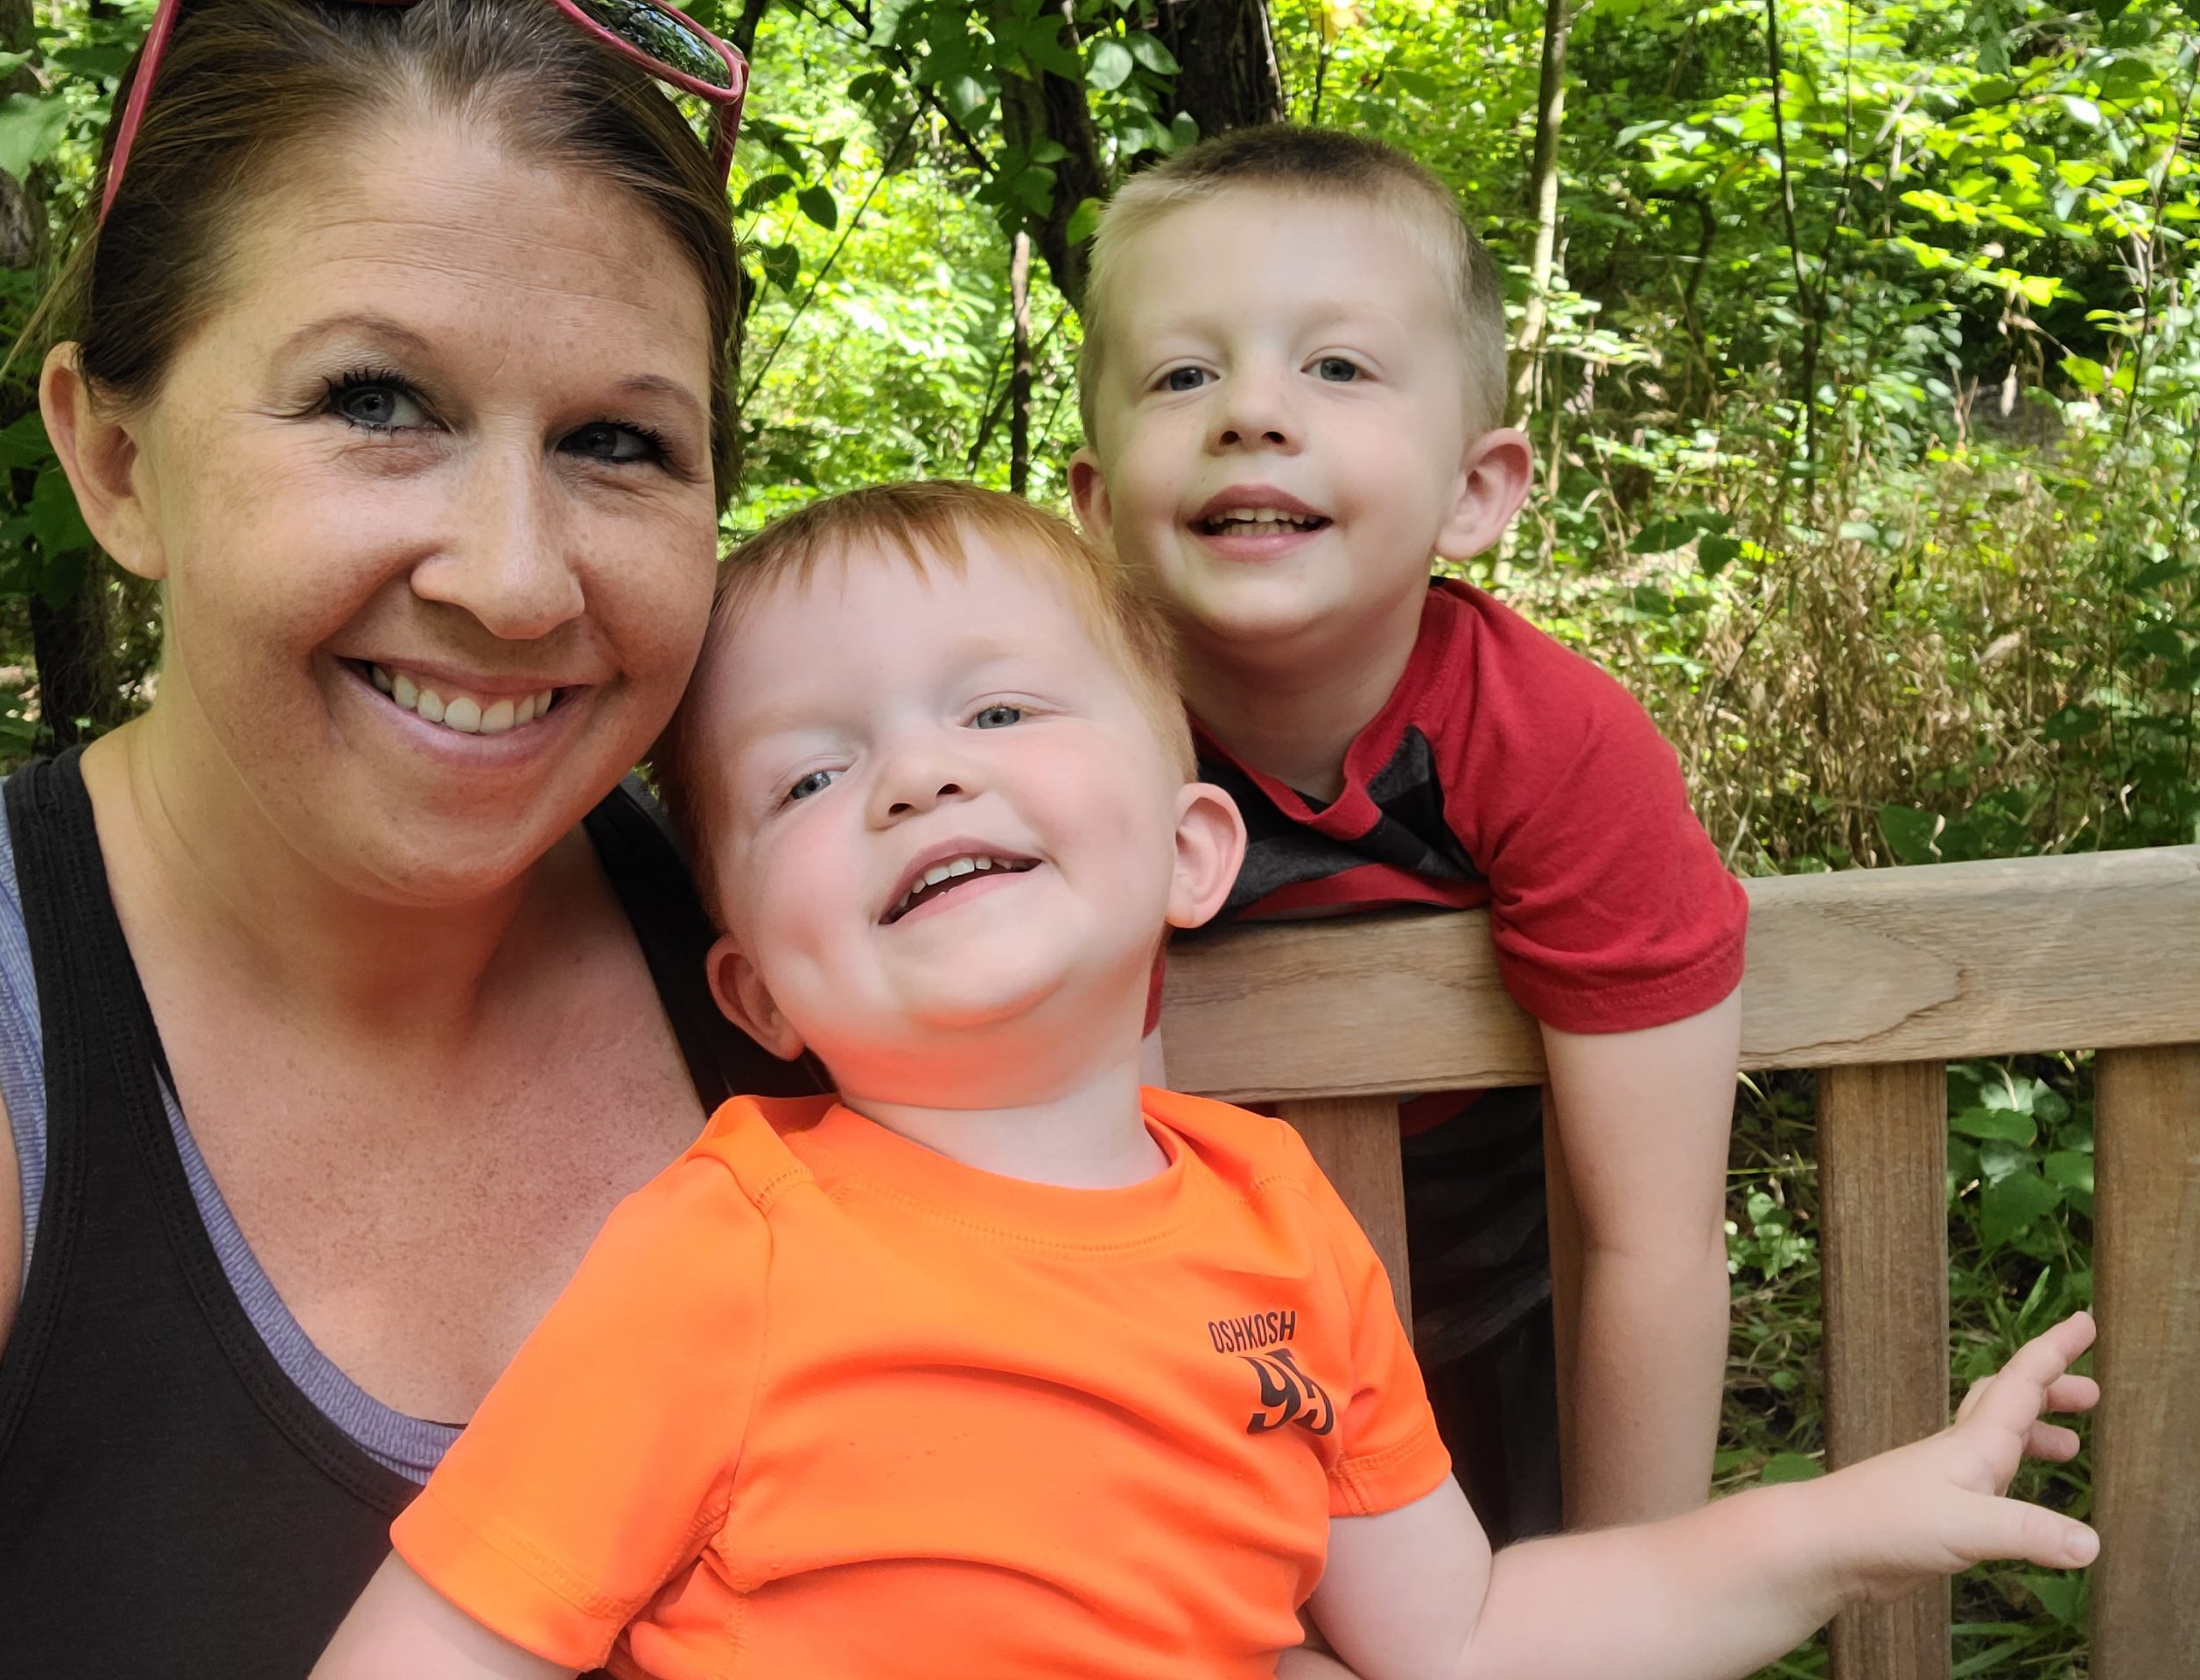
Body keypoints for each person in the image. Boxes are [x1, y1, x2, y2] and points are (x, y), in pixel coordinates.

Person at [312, 481, 2097, 1680]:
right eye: (806, 778)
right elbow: (438, 1648)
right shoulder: (728, 1252)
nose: (917, 781)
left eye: (995, 714)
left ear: (1189, 854)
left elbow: (1458, 1638)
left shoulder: (1270, 1224)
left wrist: (1855, 1524)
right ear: (755, 990)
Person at [0, 1, 810, 1672]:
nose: (512, 578)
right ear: (115, 460)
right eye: (374, 400)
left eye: (619, 442)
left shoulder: (814, 944)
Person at [1068, 126, 1748, 1540]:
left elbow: (1654, 1240)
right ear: (1093, 504)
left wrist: (1632, 1602)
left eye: (1337, 366)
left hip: (1508, 1309)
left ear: (1475, 489)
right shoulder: (1074, 762)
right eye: (1183, 373)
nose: (1252, 411)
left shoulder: (1553, 740)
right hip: (1194, 1347)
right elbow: (1091, 1196)